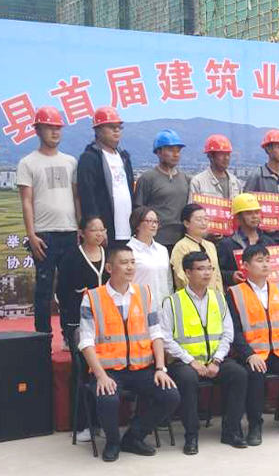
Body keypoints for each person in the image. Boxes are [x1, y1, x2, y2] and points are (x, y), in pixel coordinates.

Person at [77, 246, 180, 462]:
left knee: (170, 395)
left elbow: (156, 333)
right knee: (108, 399)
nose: (130, 267)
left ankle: (133, 437)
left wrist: (160, 368)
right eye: (124, 263)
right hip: (108, 370)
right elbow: (86, 341)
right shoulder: (92, 298)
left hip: (141, 368)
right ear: (109, 268)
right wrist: (100, 376)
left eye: (133, 262)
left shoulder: (144, 293)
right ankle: (113, 442)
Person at [161, 251, 246, 455]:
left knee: (239, 374)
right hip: (185, 362)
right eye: (201, 269)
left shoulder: (219, 297)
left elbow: (228, 333)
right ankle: (191, 435)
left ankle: (231, 431)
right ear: (188, 272)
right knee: (187, 379)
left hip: (215, 359)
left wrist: (217, 360)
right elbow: (166, 338)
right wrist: (191, 361)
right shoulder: (173, 301)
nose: (207, 273)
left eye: (209, 268)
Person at [227, 244, 279, 443]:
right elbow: (234, 331)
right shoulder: (235, 292)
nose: (265, 265)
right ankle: (255, 426)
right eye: (259, 261)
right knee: (255, 373)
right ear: (245, 265)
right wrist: (249, 355)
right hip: (253, 354)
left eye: (267, 260)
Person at [17, 106, 80, 335]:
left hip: (70, 232)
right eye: (49, 128)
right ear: (37, 130)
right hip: (44, 235)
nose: (55, 132)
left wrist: (80, 228)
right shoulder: (28, 162)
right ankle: (42, 337)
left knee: (69, 288)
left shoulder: (71, 161)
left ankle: (70, 335)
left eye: (58, 128)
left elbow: (76, 197)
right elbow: (26, 201)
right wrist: (31, 235)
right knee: (44, 289)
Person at [57, 215, 108, 442]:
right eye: (94, 229)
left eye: (102, 229)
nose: (99, 234)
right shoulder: (71, 257)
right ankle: (83, 425)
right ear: (82, 233)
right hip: (78, 323)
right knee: (83, 371)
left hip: (106, 323)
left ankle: (102, 421)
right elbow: (62, 292)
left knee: (106, 368)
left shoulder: (109, 255)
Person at [78, 106, 133, 247]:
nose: (116, 130)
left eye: (119, 127)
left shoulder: (124, 157)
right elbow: (87, 195)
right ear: (98, 130)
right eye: (111, 127)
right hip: (105, 231)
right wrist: (97, 229)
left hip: (127, 229)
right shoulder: (89, 158)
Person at [133, 130, 191, 254]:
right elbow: (138, 211)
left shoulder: (186, 179)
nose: (176, 154)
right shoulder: (148, 178)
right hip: (155, 240)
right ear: (159, 152)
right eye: (171, 150)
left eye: (178, 151)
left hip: (180, 241)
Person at [217, 193, 275, 287]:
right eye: (249, 213)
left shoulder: (269, 242)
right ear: (238, 218)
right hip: (240, 291)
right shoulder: (226, 245)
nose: (254, 216)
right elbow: (217, 272)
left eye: (257, 212)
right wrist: (231, 276)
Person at [170, 204, 223, 292]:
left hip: (212, 296)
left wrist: (220, 295)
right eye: (199, 219)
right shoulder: (181, 247)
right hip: (190, 296)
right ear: (186, 223)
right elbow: (182, 277)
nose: (204, 223)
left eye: (206, 219)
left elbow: (217, 275)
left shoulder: (210, 246)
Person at [127, 207, 173, 305]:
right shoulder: (129, 251)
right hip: (140, 305)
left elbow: (168, 281)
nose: (154, 225)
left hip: (163, 305)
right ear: (137, 225)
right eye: (149, 221)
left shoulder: (162, 250)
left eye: (156, 221)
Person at [188, 134, 242, 202]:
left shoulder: (235, 183)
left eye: (228, 154)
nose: (226, 158)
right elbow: (192, 207)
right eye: (222, 154)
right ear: (211, 156)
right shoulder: (198, 182)